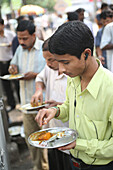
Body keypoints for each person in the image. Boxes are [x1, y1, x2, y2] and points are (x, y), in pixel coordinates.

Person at [35, 21, 113, 170]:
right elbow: (71, 107)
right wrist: (56, 111)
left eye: (66, 62)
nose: (62, 69)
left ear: (86, 54)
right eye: (58, 62)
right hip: (75, 161)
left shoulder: (110, 89)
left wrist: (80, 144)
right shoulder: (73, 79)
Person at [8, 20, 48, 170]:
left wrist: (35, 75)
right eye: (19, 38)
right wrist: (12, 68)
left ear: (34, 35)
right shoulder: (20, 49)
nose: (21, 42)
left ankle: (47, 166)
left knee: (47, 140)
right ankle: (38, 167)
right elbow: (14, 65)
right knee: (31, 141)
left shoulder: (45, 48)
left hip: (43, 105)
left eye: (25, 38)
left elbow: (53, 72)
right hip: (26, 104)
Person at [31, 39, 71, 170]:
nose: (48, 64)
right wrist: (38, 90)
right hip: (51, 133)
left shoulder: (72, 73)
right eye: (46, 60)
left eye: (52, 60)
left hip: (68, 135)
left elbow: (77, 104)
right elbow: (40, 78)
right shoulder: (50, 68)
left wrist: (58, 107)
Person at [0, 18, 16, 112]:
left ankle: (19, 103)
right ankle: (11, 104)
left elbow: (16, 44)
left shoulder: (10, 34)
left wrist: (11, 44)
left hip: (11, 61)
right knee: (6, 85)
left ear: (2, 25)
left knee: (16, 82)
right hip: (1, 62)